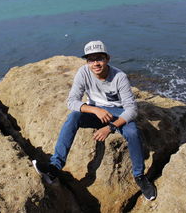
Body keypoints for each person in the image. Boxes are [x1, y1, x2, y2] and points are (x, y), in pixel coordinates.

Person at [33, 40, 156, 201]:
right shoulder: (83, 73)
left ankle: (140, 176)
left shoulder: (119, 77)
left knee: (133, 132)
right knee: (73, 117)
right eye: (91, 59)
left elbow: (132, 110)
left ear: (107, 59)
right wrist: (94, 109)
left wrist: (110, 127)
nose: (96, 63)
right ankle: (54, 167)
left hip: (118, 113)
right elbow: (71, 102)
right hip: (95, 111)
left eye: (99, 58)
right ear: (87, 62)